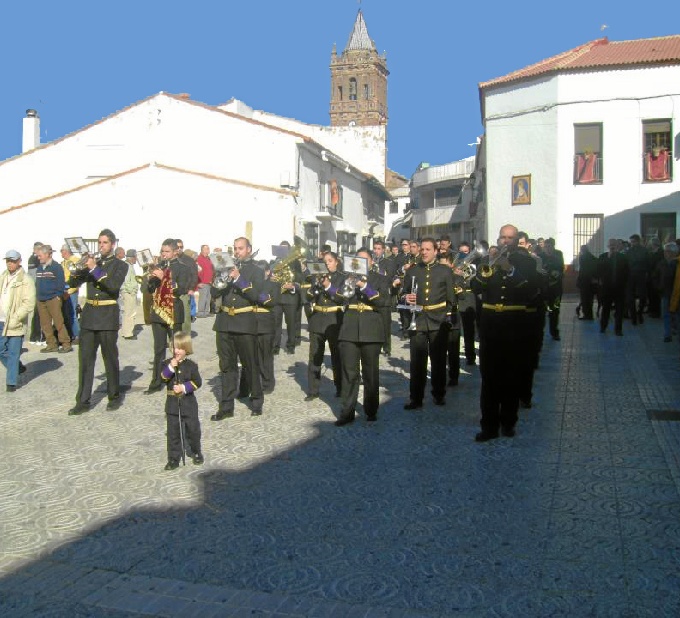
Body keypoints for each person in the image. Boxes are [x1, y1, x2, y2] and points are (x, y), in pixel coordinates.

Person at [471, 224, 539, 441]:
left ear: (517, 240)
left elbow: (530, 292)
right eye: (502, 237)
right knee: (489, 379)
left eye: (509, 238)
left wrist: (509, 269)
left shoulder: (527, 262)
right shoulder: (487, 262)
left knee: (511, 378)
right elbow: (476, 287)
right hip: (490, 327)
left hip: (514, 327)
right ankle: (489, 426)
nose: (505, 241)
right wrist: (487, 267)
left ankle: (508, 422)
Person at [68, 229, 128, 414]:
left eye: (105, 243)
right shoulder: (94, 262)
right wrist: (78, 269)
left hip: (107, 315)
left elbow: (112, 285)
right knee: (85, 360)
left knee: (110, 358)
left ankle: (114, 396)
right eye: (100, 242)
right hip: (89, 316)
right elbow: (73, 284)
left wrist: (94, 268)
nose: (101, 246)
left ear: (112, 244)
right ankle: (83, 401)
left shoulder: (120, 265)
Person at [333, 248, 389, 426]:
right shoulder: (346, 278)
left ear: (372, 262)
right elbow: (340, 297)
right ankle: (347, 411)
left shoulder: (379, 279)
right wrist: (345, 284)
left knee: (370, 373)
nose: (361, 264)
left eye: (365, 260)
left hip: (371, 330)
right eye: (358, 260)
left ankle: (371, 409)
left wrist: (364, 286)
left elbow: (382, 301)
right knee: (349, 373)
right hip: (349, 329)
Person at [211, 237, 264, 420]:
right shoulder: (225, 268)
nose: (237, 252)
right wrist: (220, 277)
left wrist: (239, 279)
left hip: (245, 323)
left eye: (240, 248)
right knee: (227, 366)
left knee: (250, 365)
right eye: (235, 248)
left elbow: (257, 295)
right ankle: (226, 407)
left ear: (249, 249)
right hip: (224, 322)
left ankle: (256, 401)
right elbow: (214, 292)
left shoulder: (256, 271)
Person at [402, 238, 455, 409]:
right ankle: (415, 398)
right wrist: (405, 297)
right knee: (417, 362)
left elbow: (451, 299)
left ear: (435, 251)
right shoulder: (412, 271)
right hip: (418, 319)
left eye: (427, 249)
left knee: (438, 360)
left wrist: (448, 320)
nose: (424, 252)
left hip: (437, 320)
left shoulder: (445, 271)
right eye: (422, 249)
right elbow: (402, 293)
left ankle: (439, 394)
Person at [145, 239, 191, 394]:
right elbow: (147, 289)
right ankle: (155, 382)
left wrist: (164, 277)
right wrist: (150, 278)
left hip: (173, 312)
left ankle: (178, 380)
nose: (164, 254)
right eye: (162, 251)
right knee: (158, 349)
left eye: (167, 251)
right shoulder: (158, 266)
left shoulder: (182, 268)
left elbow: (182, 288)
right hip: (158, 312)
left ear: (175, 252)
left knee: (176, 349)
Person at [161, 332, 204, 470]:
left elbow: (197, 382)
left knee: (193, 430)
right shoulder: (167, 364)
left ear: (186, 349)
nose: (176, 351)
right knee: (173, 432)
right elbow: (162, 378)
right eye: (174, 348)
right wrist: (170, 368)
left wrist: (184, 387)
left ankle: (196, 451)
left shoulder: (191, 366)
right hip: (172, 404)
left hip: (188, 403)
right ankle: (173, 458)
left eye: (180, 348)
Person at [304, 251, 344, 401]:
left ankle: (340, 387)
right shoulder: (317, 277)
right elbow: (307, 297)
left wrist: (328, 286)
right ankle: (313, 390)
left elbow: (341, 297)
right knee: (315, 357)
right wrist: (315, 286)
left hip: (334, 320)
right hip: (318, 319)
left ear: (336, 262)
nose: (327, 263)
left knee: (337, 357)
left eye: (330, 261)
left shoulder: (342, 277)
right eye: (324, 261)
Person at [238, 260, 280, 396]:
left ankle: (268, 383)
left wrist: (252, 292)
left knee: (265, 357)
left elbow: (271, 301)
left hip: (265, 324)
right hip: (249, 322)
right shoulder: (251, 283)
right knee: (247, 357)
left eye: (261, 272)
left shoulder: (273, 284)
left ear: (268, 272)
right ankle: (245, 387)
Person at [0, 250, 35, 392]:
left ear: (19, 261)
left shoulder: (26, 280)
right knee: (1, 350)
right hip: (1, 320)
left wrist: (15, 318)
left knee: (14, 352)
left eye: (13, 261)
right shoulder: (3, 276)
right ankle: (17, 367)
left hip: (16, 322)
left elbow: (29, 303)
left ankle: (11, 383)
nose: (10, 263)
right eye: (8, 260)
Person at [35, 244, 72, 353]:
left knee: (58, 322)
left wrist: (58, 296)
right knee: (45, 324)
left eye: (40, 255)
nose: (38, 257)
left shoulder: (56, 267)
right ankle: (51, 344)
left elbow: (61, 283)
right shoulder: (39, 267)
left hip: (53, 299)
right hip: (41, 300)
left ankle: (66, 344)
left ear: (47, 254)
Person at [598, 238, 629, 336]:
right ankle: (603, 327)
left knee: (619, 310)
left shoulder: (623, 258)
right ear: (607, 246)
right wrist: (608, 258)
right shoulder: (603, 257)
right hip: (607, 288)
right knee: (606, 308)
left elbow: (627, 272)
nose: (612, 246)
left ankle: (618, 329)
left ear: (617, 246)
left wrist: (625, 285)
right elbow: (598, 270)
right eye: (610, 245)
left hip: (619, 288)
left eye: (614, 245)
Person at [455, 241, 478, 366]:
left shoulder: (473, 266)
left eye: (466, 252)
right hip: (457, 299)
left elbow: (474, 283)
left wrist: (463, 274)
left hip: (469, 298)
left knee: (469, 331)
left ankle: (470, 356)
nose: (464, 254)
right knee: (455, 331)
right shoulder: (454, 264)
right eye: (461, 252)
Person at [372, 240, 395, 356]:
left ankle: (387, 348)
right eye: (374, 248)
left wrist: (375, 267)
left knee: (385, 324)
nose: (376, 251)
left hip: (384, 297)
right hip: (372, 296)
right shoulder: (368, 262)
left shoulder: (388, 262)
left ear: (383, 250)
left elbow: (389, 276)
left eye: (378, 249)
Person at [542, 238, 565, 341]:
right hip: (543, 289)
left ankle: (554, 332)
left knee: (555, 310)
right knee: (542, 311)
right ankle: (539, 332)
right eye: (546, 247)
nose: (547, 249)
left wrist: (557, 274)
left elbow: (561, 269)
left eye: (549, 247)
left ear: (553, 246)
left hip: (555, 289)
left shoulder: (558, 255)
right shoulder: (540, 256)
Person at [176, 239, 199, 335]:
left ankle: (185, 339)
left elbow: (194, 275)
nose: (179, 249)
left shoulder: (189, 260)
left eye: (181, 247)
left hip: (184, 293)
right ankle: (172, 338)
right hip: (171, 293)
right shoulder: (169, 259)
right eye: (177, 247)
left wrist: (191, 289)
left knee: (185, 318)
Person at [626, 234, 649, 325]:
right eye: (631, 242)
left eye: (633, 242)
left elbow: (647, 262)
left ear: (638, 241)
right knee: (631, 297)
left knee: (642, 296)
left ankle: (638, 314)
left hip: (640, 274)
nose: (632, 244)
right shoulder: (630, 251)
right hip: (633, 275)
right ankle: (635, 315)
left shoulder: (643, 251)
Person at [60, 245, 81, 343]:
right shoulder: (64, 262)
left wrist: (71, 290)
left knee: (72, 313)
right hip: (63, 290)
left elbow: (76, 277)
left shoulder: (74, 261)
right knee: (65, 313)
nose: (61, 253)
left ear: (66, 251)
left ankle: (77, 335)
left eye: (62, 251)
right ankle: (70, 334)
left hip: (71, 291)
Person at [120, 249, 140, 340]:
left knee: (127, 312)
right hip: (129, 293)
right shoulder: (127, 266)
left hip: (127, 292)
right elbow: (126, 280)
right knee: (130, 313)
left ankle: (125, 331)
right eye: (135, 257)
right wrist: (131, 291)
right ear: (132, 257)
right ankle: (128, 333)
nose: (136, 259)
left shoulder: (127, 265)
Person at [576, 245, 598, 321]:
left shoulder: (582, 257)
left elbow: (582, 270)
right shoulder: (593, 257)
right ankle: (590, 315)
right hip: (591, 281)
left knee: (584, 299)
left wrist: (579, 281)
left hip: (584, 281)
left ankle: (586, 315)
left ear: (582, 250)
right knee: (590, 299)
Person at [195, 244, 214, 318]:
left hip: (210, 282)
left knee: (208, 297)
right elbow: (197, 272)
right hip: (203, 282)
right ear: (202, 250)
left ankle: (206, 312)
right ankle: (200, 312)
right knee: (203, 298)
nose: (208, 250)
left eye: (208, 249)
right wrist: (198, 282)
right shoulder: (199, 259)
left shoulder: (209, 259)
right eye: (206, 249)